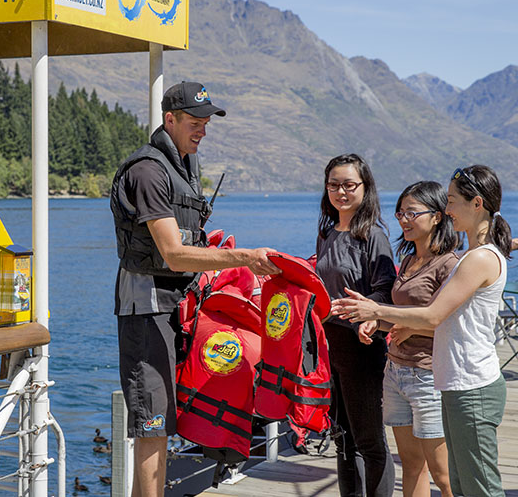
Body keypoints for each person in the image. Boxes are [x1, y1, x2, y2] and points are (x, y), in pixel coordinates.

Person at [109, 81, 279, 497]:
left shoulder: (184, 165)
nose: (202, 129)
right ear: (170, 119)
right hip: (147, 310)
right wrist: (246, 258)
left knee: (164, 422)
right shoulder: (148, 171)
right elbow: (173, 254)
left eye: (206, 122)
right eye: (194, 121)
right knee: (151, 425)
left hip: (178, 308)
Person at [333, 165, 512, 497]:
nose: (448, 210)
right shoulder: (471, 257)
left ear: (476, 204)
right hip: (454, 382)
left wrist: (375, 310)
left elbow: (432, 317)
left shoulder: (477, 259)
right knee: (462, 485)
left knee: (478, 488)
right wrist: (378, 318)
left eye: (453, 201)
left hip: (469, 385)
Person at [357, 181, 456, 497]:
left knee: (443, 474)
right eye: (400, 212)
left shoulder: (450, 264)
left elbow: (452, 326)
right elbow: (401, 315)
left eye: (412, 213)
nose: (403, 220)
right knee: (412, 466)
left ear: (438, 216)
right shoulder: (411, 259)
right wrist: (375, 321)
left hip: (428, 377)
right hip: (396, 372)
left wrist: (408, 326)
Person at [315, 153, 397, 497]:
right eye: (334, 185)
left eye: (349, 185)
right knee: (342, 438)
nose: (341, 192)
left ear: (365, 188)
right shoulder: (326, 233)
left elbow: (385, 289)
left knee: (369, 440)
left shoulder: (373, 236)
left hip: (362, 347)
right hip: (330, 346)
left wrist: (369, 315)